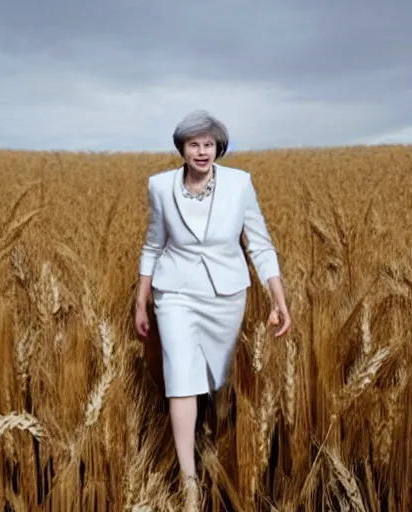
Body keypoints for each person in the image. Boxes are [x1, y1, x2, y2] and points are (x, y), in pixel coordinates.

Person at [134, 110, 291, 509]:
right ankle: (189, 482)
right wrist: (142, 296)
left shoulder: (240, 184)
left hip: (226, 294)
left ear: (217, 147)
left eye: (208, 144)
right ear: (182, 149)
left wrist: (278, 297)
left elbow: (259, 243)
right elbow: (153, 243)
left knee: (219, 381)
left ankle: (219, 456)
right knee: (181, 377)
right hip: (175, 293)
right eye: (193, 144)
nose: (201, 152)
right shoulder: (160, 186)